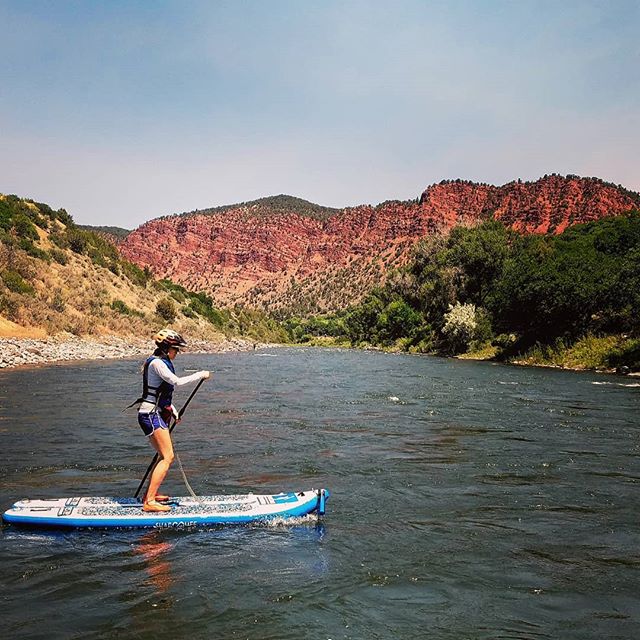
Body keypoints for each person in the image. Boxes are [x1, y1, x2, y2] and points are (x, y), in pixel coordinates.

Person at [134, 328, 210, 512]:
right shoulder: (158, 364)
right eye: (176, 350)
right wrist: (200, 374)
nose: (177, 353)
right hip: (150, 415)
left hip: (153, 412)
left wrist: (173, 410)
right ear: (168, 349)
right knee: (168, 456)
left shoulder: (159, 362)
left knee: (162, 455)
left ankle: (150, 494)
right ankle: (149, 502)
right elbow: (176, 382)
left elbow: (161, 393)